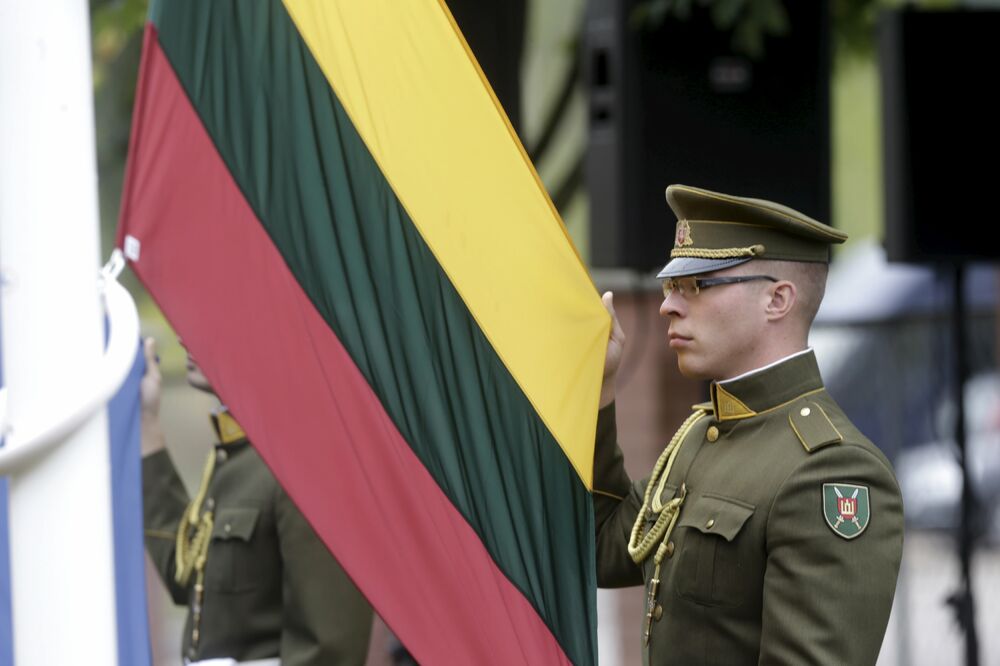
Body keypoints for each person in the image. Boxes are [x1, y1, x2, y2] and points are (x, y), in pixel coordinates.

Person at [595, 184, 904, 665]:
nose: (668, 306)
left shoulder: (830, 469)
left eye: (697, 285)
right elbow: (603, 546)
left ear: (777, 300)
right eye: (671, 286)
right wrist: (600, 396)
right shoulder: (700, 435)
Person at [139, 337, 373, 665]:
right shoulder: (236, 456)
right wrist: (146, 424)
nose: (184, 335)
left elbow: (330, 647)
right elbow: (188, 579)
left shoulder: (307, 460)